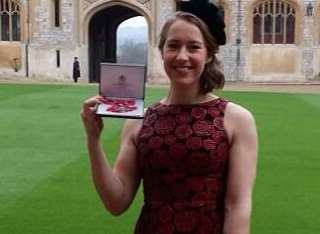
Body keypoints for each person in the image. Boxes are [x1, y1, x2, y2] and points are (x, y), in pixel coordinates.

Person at [81, 1, 257, 233]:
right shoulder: (139, 121)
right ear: (162, 51)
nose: (182, 56)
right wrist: (93, 139)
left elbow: (237, 206)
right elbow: (116, 202)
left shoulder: (235, 119)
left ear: (209, 55)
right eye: (173, 46)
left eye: (193, 47)